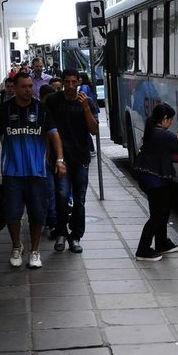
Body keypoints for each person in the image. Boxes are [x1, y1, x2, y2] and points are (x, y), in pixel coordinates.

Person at [0, 72, 67, 269]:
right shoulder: (5, 110)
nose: (29, 90)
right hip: (12, 174)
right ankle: (16, 246)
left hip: (37, 172)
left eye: (31, 86)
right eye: (24, 86)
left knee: (38, 213)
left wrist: (60, 159)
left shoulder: (41, 109)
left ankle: (35, 251)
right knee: (12, 213)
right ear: (15, 87)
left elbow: (54, 135)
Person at [45, 68, 99, 253]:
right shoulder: (53, 101)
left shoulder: (86, 102)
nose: (70, 86)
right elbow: (47, 129)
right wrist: (48, 154)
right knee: (61, 195)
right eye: (66, 82)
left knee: (80, 199)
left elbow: (94, 130)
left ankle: (75, 236)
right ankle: (61, 232)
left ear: (78, 82)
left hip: (80, 157)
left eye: (73, 82)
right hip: (60, 158)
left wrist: (85, 108)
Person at [133, 103, 178, 261]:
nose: (171, 123)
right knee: (158, 215)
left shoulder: (154, 131)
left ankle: (161, 243)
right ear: (165, 119)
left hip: (151, 178)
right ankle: (143, 250)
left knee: (162, 211)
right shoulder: (162, 134)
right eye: (171, 120)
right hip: (155, 180)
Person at [40, 85, 58, 235]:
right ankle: (51, 220)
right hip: (45, 159)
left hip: (58, 159)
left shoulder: (57, 113)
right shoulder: (41, 113)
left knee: (58, 192)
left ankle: (53, 220)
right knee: (49, 191)